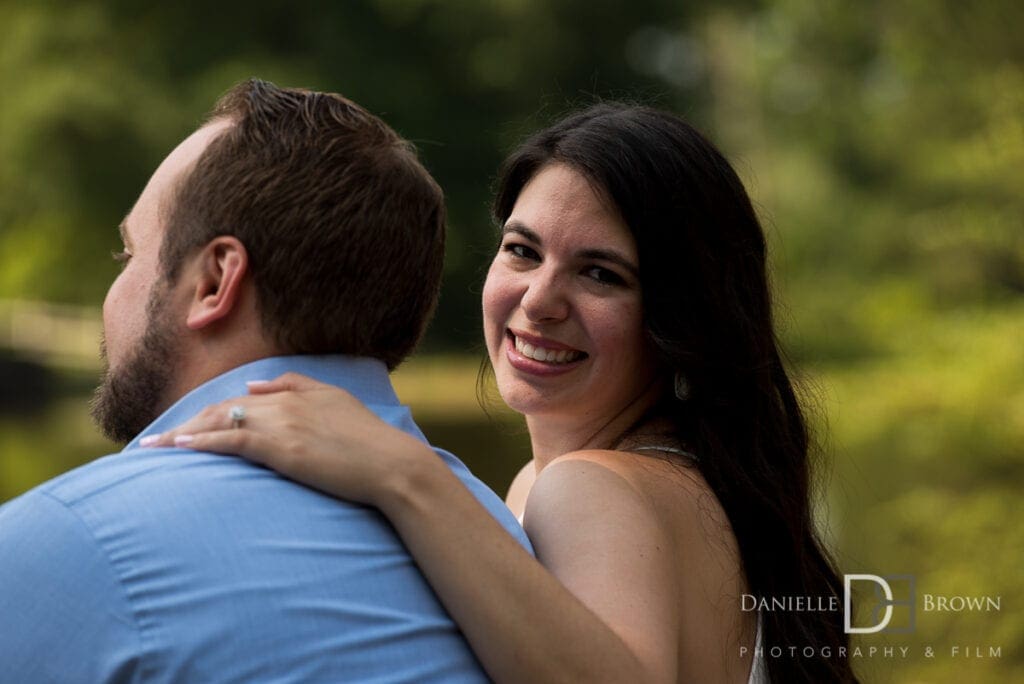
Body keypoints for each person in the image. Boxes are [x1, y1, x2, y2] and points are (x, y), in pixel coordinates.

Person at [149, 104, 859, 682]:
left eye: (602, 274)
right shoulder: (677, 480)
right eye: (522, 250)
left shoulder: (593, 489)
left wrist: (403, 473)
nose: (540, 300)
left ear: (680, 315)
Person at [0, 79, 531, 682]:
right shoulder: (504, 539)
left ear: (212, 282)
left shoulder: (71, 541)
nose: (112, 290)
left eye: (128, 255)